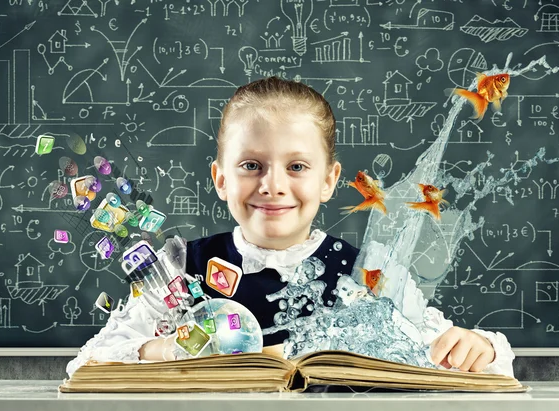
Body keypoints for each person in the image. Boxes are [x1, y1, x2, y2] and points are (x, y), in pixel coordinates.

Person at [66, 77, 515, 378]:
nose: (273, 185)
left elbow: (468, 358)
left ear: (329, 181)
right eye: (250, 165)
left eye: (297, 166)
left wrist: (482, 348)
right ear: (221, 179)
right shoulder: (179, 266)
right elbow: (88, 362)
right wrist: (170, 349)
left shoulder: (372, 274)